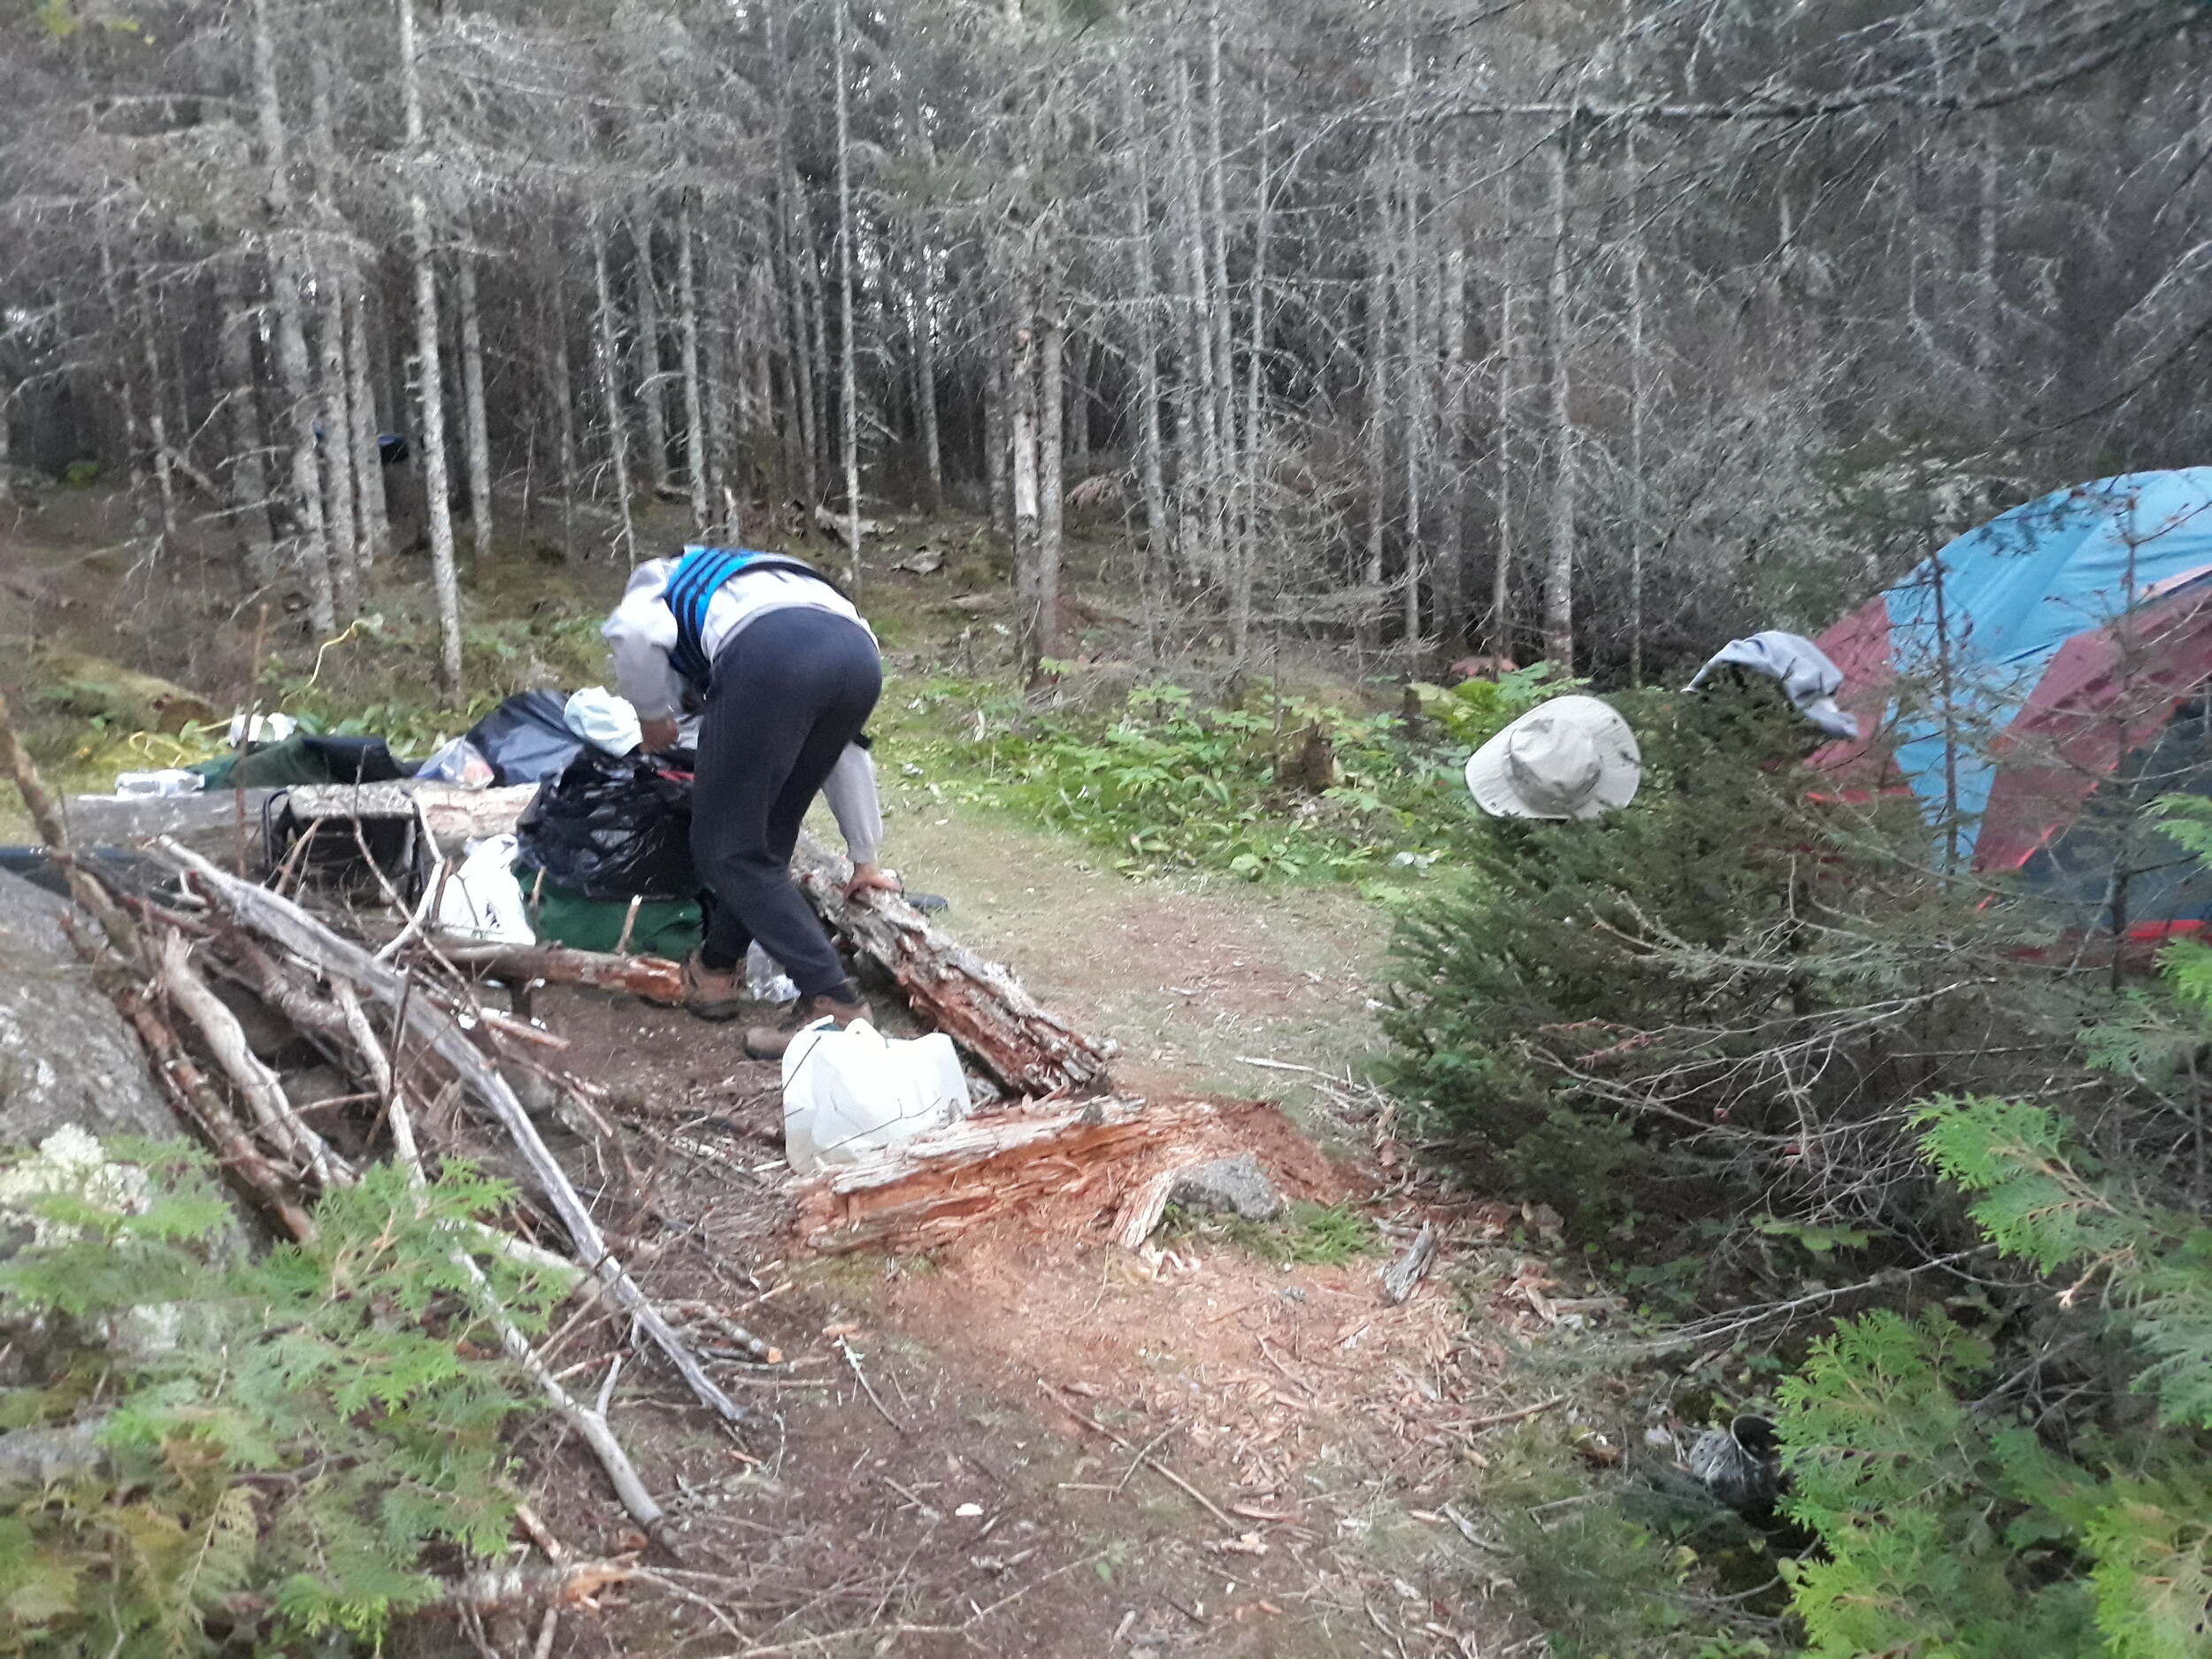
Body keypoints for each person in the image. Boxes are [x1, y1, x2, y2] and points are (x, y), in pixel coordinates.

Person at [603, 545, 900, 1050]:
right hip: (860, 659)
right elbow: (847, 752)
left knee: (724, 849)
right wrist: (863, 857)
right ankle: (714, 972)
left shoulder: (659, 577)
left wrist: (652, 715)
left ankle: (836, 1004)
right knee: (767, 834)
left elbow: (631, 634)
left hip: (769, 653)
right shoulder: (758, 578)